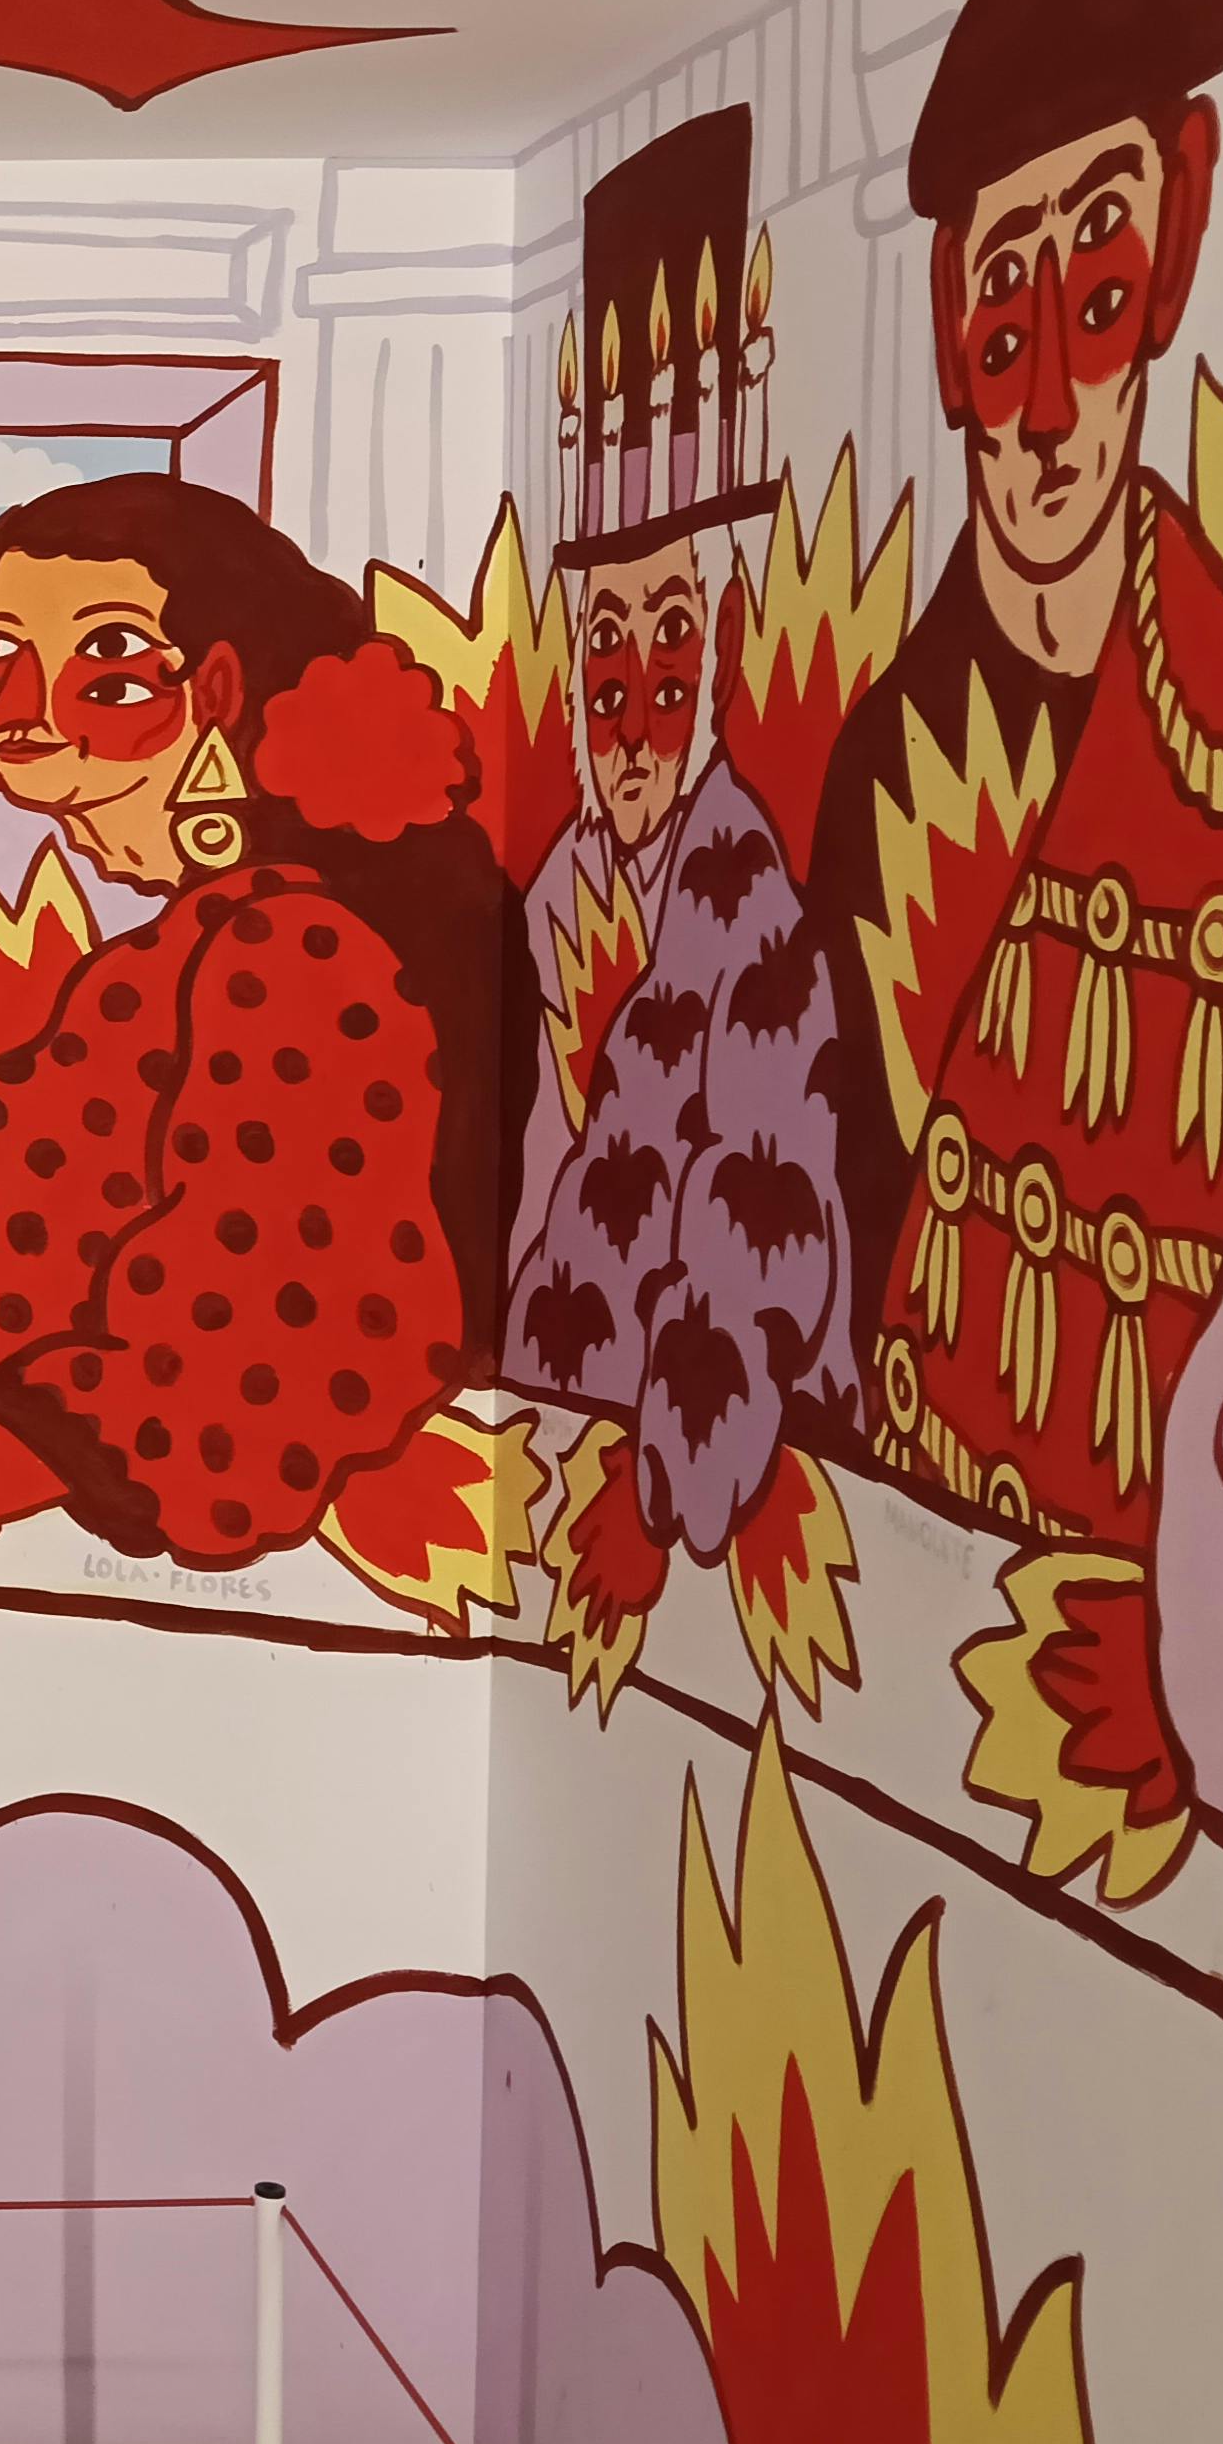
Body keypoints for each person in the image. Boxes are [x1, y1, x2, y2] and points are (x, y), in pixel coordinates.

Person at [0, 476, 534, 1565]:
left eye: (104, 663)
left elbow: (304, 1281)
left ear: (216, 687)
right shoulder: (209, 935)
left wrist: (58, 1456)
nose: (23, 708)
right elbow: (3, 1206)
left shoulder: (294, 943)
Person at [801, 0, 1223, 1551]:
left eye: (1101, 297)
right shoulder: (887, 767)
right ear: (948, 326)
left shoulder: (1216, 706)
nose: (1049, 403)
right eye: (1006, 321)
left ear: (1179, 238)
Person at [495, 113, 851, 1627]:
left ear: (718, 663)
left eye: (669, 650)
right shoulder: (551, 894)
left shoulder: (748, 909)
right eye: (606, 655)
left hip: (676, 1477)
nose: (631, 710)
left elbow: (757, 1220)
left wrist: (666, 1481)